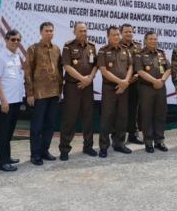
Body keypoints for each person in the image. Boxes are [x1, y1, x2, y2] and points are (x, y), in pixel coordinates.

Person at [24, 22, 63, 166]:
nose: (49, 33)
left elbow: (60, 71)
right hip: (39, 94)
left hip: (54, 93)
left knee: (51, 124)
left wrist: (60, 91)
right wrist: (29, 93)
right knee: (37, 126)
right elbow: (27, 72)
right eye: (47, 31)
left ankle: (44, 151)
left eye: (51, 31)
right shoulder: (33, 49)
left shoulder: (57, 49)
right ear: (40, 32)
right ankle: (35, 154)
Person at [59, 22, 98, 160]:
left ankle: (88, 147)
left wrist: (90, 78)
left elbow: (95, 66)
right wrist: (82, 78)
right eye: (80, 31)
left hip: (88, 86)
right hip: (72, 87)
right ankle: (64, 149)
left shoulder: (92, 47)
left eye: (85, 30)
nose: (83, 33)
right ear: (74, 32)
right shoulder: (68, 46)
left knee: (88, 117)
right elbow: (67, 66)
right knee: (70, 118)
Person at [0, 29, 24, 171]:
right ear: (6, 40)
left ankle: (7, 157)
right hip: (5, 101)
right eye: (13, 40)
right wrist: (3, 100)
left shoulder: (16, 56)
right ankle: (1, 162)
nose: (15, 42)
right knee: (3, 132)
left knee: (9, 131)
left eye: (18, 40)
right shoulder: (0, 57)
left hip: (15, 100)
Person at [98, 26, 133, 158]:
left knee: (122, 117)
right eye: (113, 35)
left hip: (124, 88)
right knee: (107, 117)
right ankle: (103, 146)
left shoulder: (125, 50)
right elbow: (103, 70)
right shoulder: (103, 51)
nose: (116, 37)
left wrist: (125, 82)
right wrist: (121, 82)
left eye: (118, 34)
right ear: (108, 36)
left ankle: (119, 144)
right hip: (109, 89)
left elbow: (130, 68)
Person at [134, 31, 172, 153]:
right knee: (147, 115)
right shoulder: (139, 54)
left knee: (160, 114)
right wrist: (154, 81)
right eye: (150, 39)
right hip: (146, 88)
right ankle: (148, 142)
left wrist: (162, 80)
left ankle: (159, 141)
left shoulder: (161, 53)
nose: (153, 41)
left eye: (155, 39)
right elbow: (139, 71)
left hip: (161, 87)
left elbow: (168, 69)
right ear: (145, 40)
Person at [120, 24, 144, 145]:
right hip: (120, 82)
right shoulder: (117, 45)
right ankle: (118, 136)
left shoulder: (138, 47)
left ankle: (133, 134)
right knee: (119, 110)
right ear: (121, 33)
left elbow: (141, 63)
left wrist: (136, 76)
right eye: (126, 32)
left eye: (130, 31)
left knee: (133, 109)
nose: (128, 34)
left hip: (135, 82)